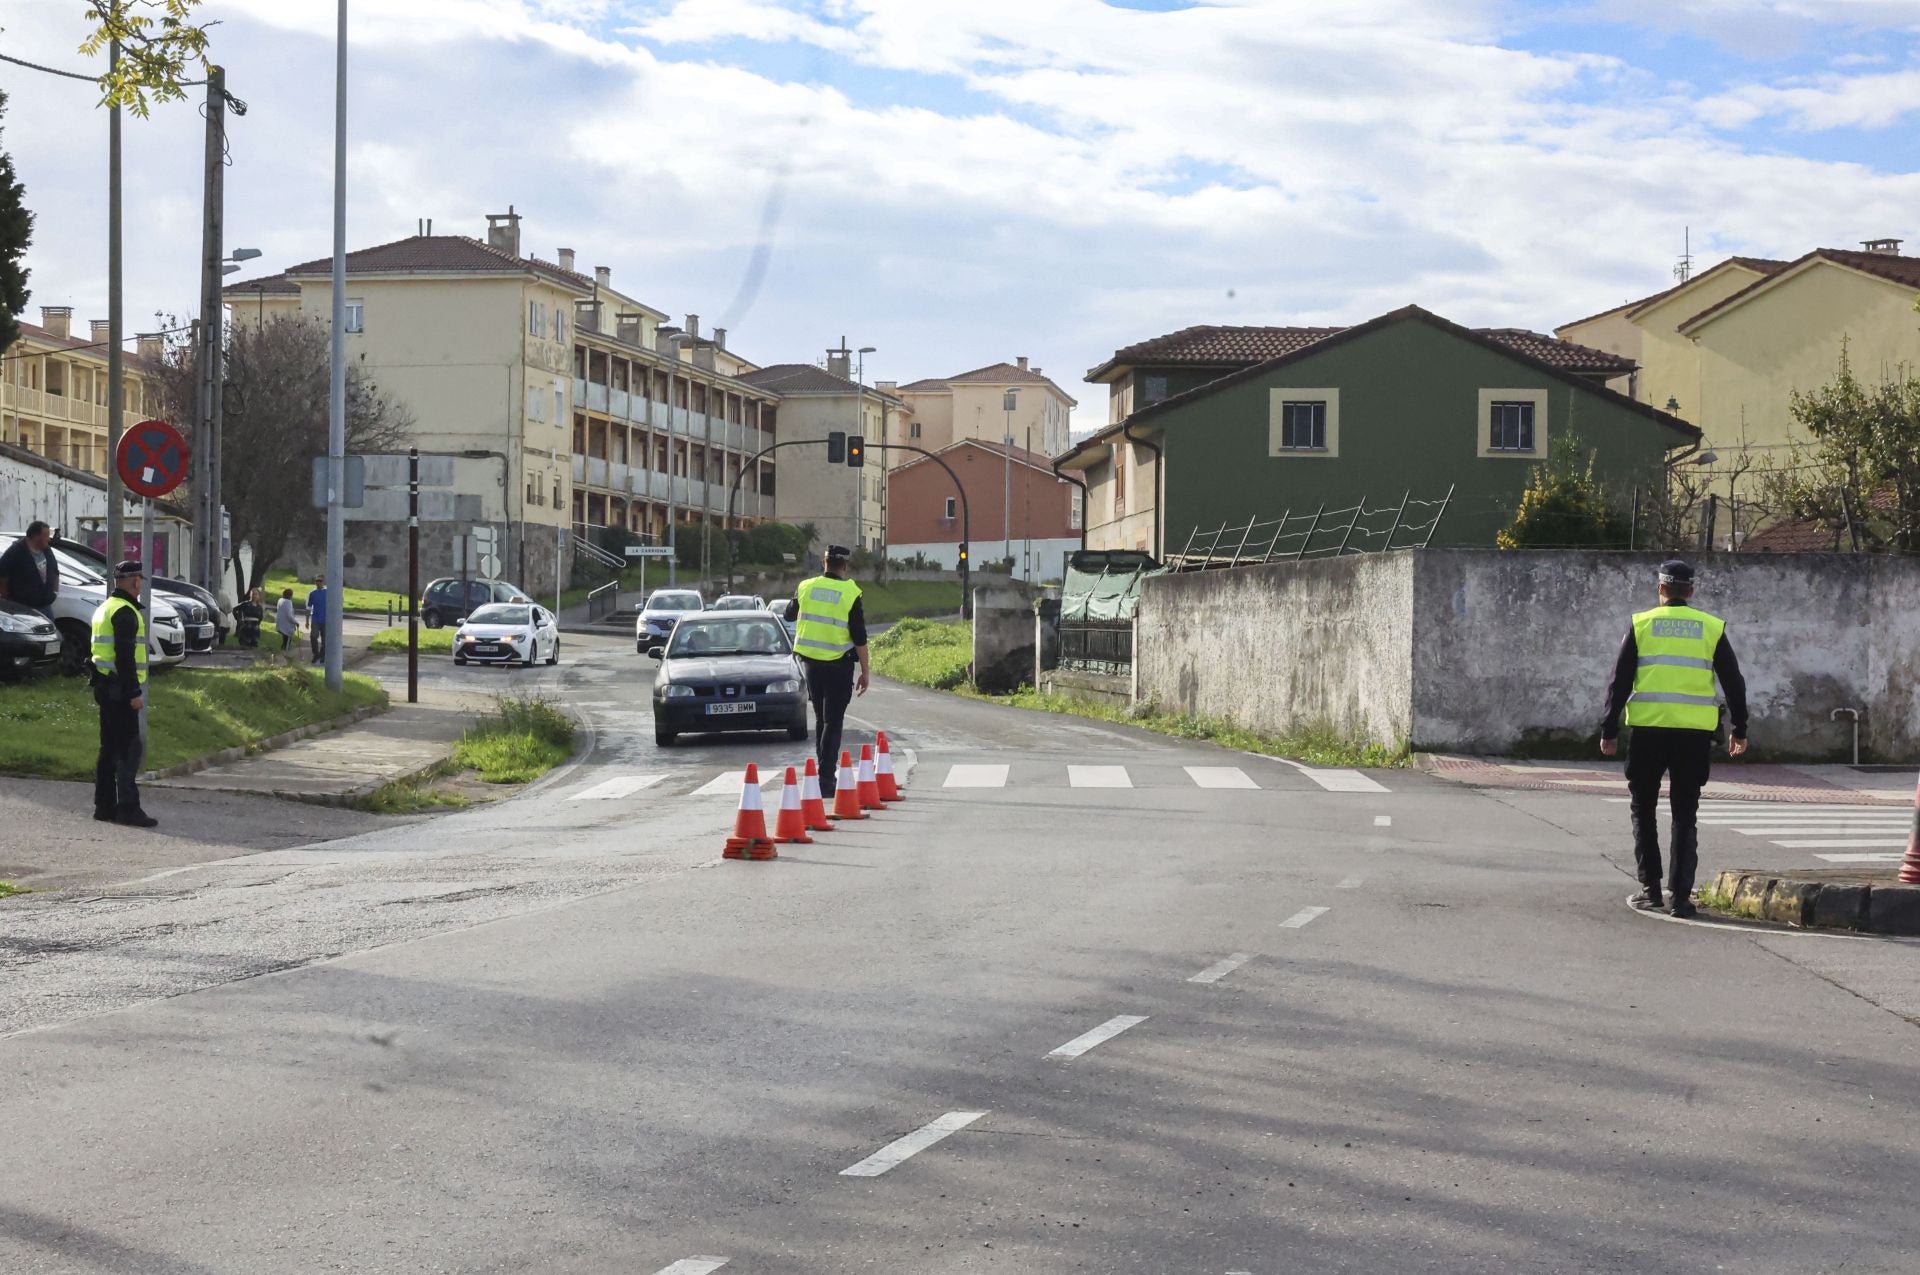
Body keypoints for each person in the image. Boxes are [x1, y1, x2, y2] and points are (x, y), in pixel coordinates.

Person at [1599, 559, 1749, 918]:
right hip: (1693, 736)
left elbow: (1619, 680)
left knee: (1643, 808)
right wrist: (1739, 728)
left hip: (1648, 732)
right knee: (1685, 813)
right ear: (1691, 590)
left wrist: (1609, 728)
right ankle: (1680, 898)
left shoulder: (1641, 624)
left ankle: (1650, 889)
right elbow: (1733, 680)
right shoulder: (1710, 627)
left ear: (1661, 589)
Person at [784, 545, 870, 796]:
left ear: (824, 562)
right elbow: (860, 637)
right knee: (833, 721)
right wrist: (865, 672)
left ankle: (823, 775)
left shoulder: (805, 587)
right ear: (844, 566)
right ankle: (825, 780)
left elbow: (789, 615)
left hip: (811, 665)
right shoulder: (850, 592)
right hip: (839, 665)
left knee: (822, 719)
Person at [91, 559, 157, 828]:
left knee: (108, 749)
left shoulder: (105, 608)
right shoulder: (126, 613)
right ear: (135, 581)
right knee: (129, 749)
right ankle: (129, 809)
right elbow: (126, 658)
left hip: (105, 687)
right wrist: (134, 693)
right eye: (139, 579)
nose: (139, 583)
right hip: (121, 690)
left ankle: (104, 806)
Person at [0, 519, 60, 622]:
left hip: (44, 603)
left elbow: (54, 570)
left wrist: (54, 591)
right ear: (36, 536)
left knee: (50, 632)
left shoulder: (46, 549)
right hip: (23, 605)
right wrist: (7, 599)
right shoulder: (16, 551)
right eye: (45, 536)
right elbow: (2, 575)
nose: (48, 539)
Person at [306, 574, 329, 663]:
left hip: (326, 619)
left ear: (323, 582)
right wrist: (307, 621)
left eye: (320, 581)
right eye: (317, 581)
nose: (318, 582)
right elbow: (308, 608)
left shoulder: (328, 592)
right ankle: (316, 653)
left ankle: (323, 655)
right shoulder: (312, 593)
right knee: (313, 636)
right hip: (315, 618)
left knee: (325, 639)